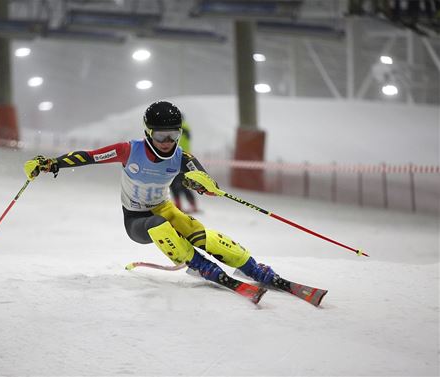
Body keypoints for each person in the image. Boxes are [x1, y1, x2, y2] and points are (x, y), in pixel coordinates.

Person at [23, 100, 278, 289]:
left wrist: (202, 185)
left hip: (164, 207)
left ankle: (250, 267)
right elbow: (89, 156)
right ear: (148, 132)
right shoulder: (128, 151)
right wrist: (51, 164)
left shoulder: (182, 157)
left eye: (173, 135)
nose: (167, 142)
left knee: (200, 234)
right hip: (137, 220)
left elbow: (202, 180)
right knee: (160, 225)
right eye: (160, 135)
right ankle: (200, 267)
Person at [169, 118, 199, 213]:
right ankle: (193, 204)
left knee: (174, 184)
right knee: (184, 184)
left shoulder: (175, 128)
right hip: (184, 158)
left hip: (175, 158)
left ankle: (178, 205)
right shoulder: (186, 127)